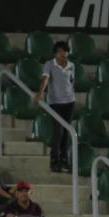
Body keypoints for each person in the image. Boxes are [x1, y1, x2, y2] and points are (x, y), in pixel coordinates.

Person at [34, 42, 76, 173]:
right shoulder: (49, 64)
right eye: (60, 51)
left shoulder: (71, 65)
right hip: (55, 103)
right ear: (55, 53)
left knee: (66, 132)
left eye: (65, 51)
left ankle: (64, 160)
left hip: (69, 102)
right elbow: (45, 79)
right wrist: (40, 93)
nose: (62, 54)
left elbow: (71, 81)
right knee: (58, 131)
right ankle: (54, 159)